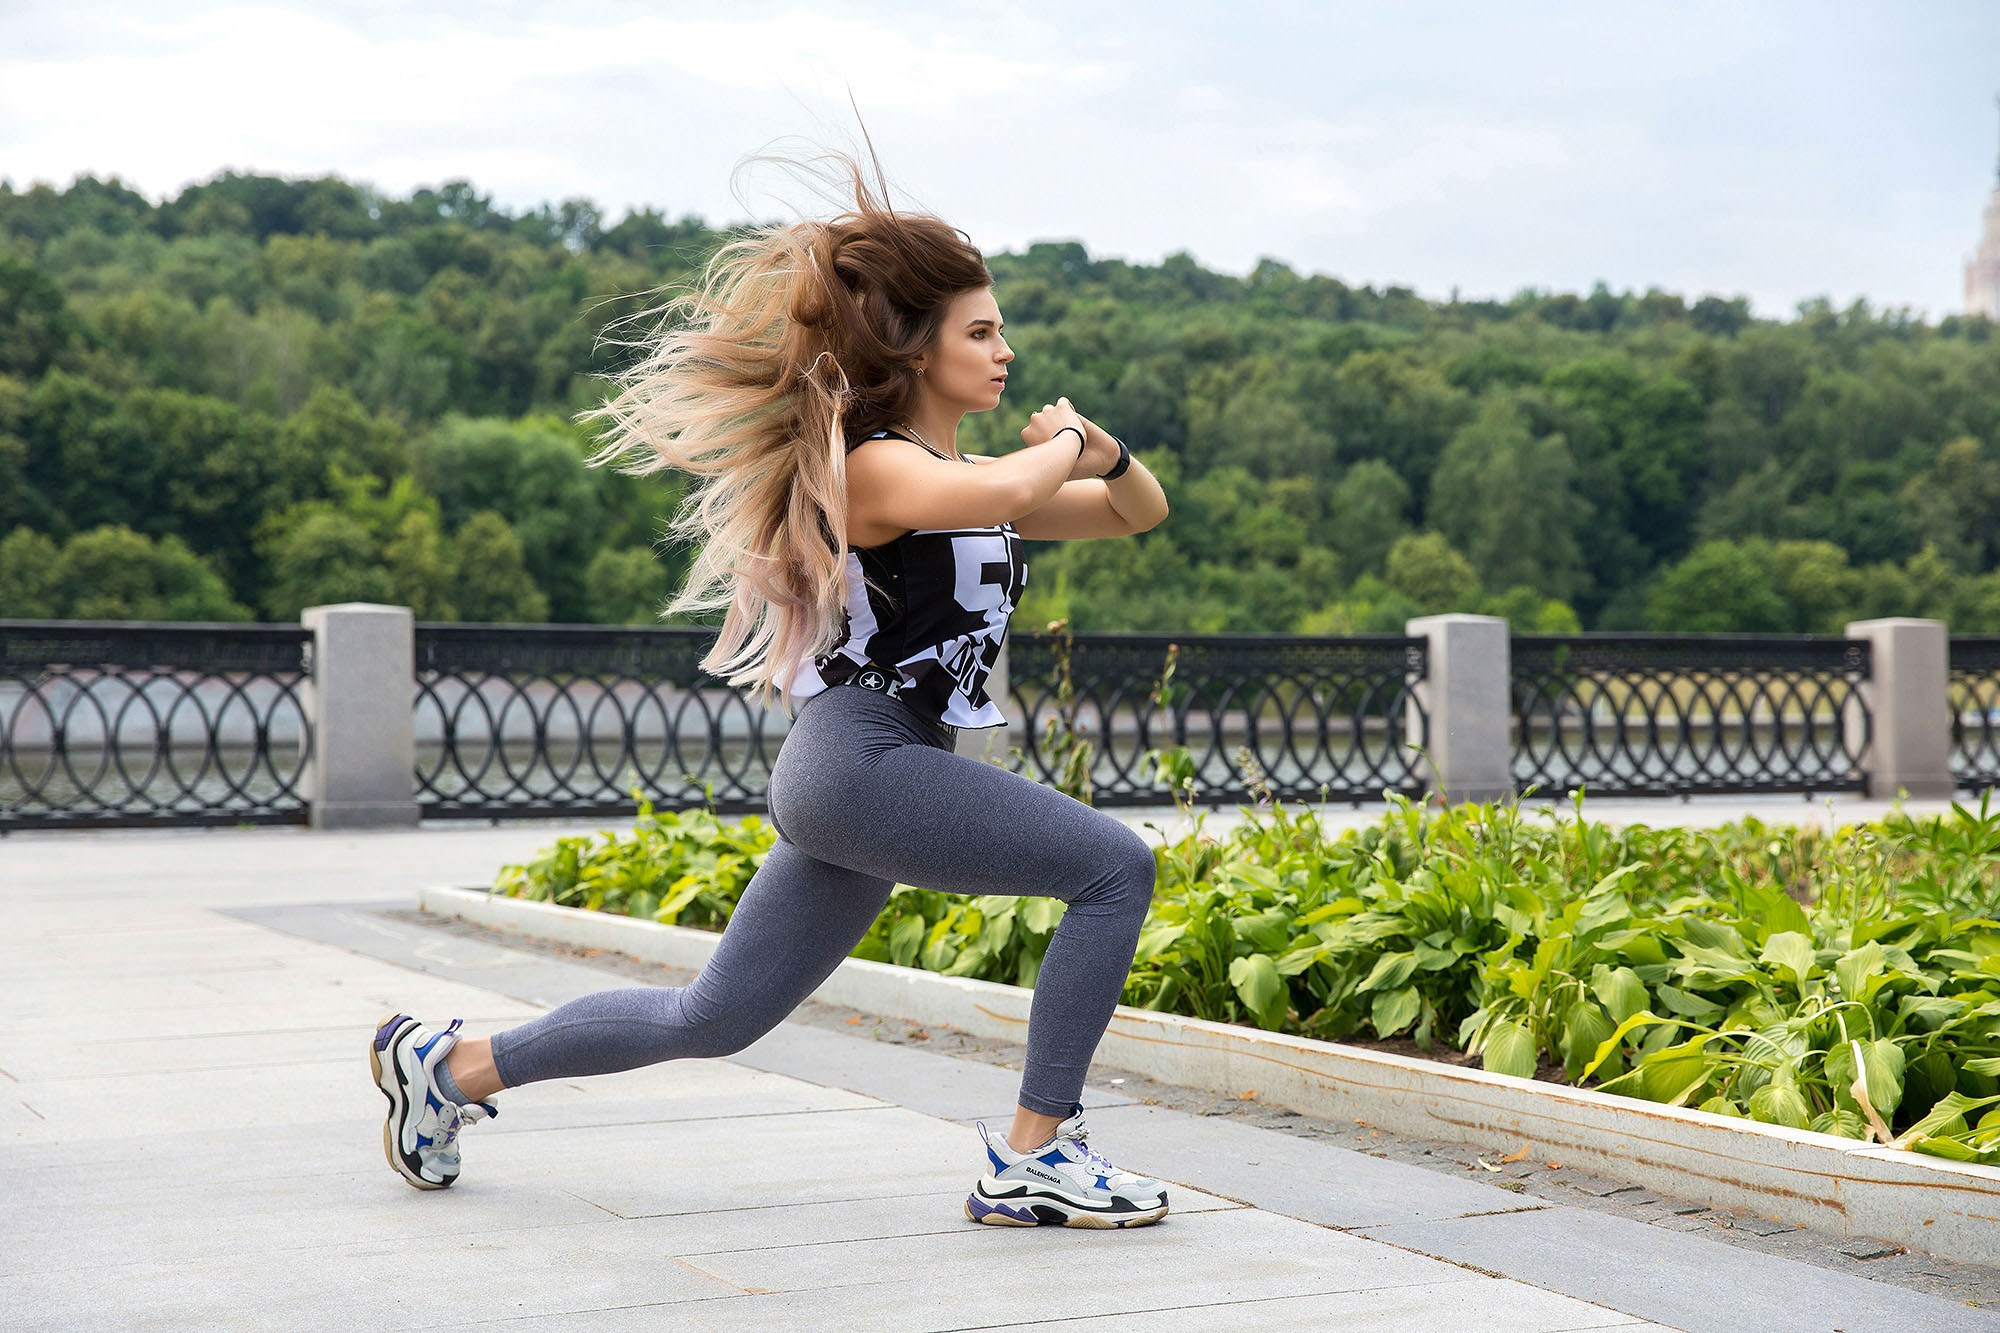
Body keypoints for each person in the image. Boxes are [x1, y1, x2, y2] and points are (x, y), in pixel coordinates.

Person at [369, 136, 1174, 1230]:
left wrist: (1109, 458)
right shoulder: (880, 464)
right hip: (860, 758)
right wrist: (1067, 440)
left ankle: (452, 1067)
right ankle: (1037, 1149)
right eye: (980, 332)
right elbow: (1018, 481)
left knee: (710, 1016)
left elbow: (1137, 514)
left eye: (1000, 330)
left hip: (873, 770)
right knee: (1113, 868)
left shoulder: (970, 483)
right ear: (915, 348)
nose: (1004, 351)